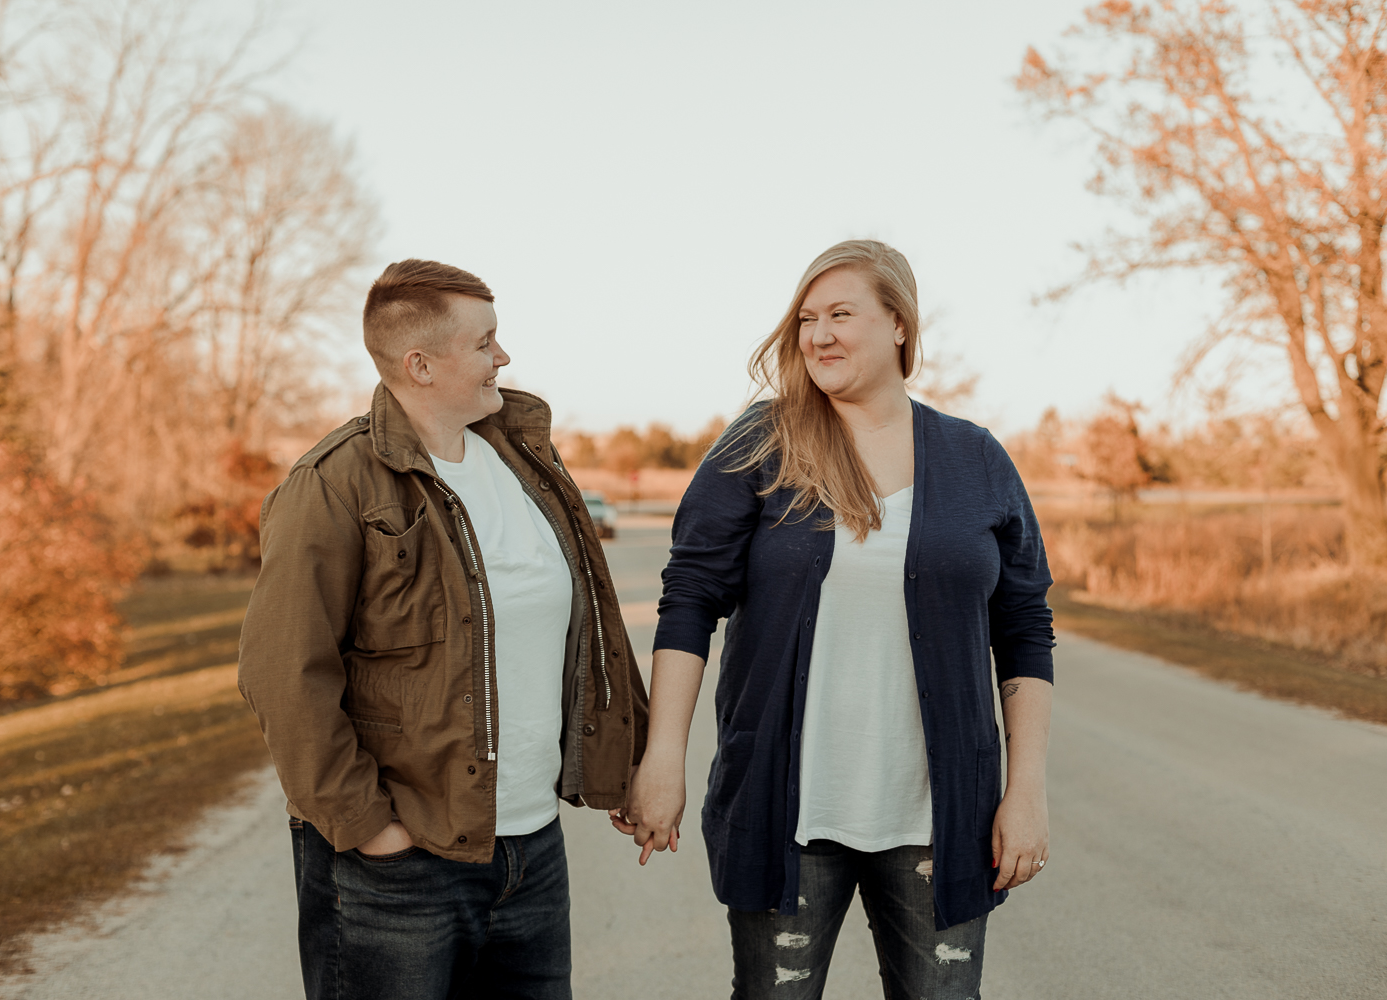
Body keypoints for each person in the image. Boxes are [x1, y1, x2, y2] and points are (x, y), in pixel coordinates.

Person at [613, 240, 1055, 999]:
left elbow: (1023, 628)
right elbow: (689, 600)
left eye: (840, 315)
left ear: (899, 324)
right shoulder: (762, 444)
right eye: (806, 319)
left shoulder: (976, 459)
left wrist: (1028, 788)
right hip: (787, 816)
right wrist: (663, 758)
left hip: (937, 820)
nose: (818, 335)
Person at [239, 259, 649, 1000]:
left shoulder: (527, 461)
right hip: (399, 866)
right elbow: (283, 672)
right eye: (485, 342)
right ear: (419, 365)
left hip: (531, 854)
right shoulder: (333, 482)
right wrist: (371, 831)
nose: (504, 357)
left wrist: (628, 756)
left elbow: (591, 625)